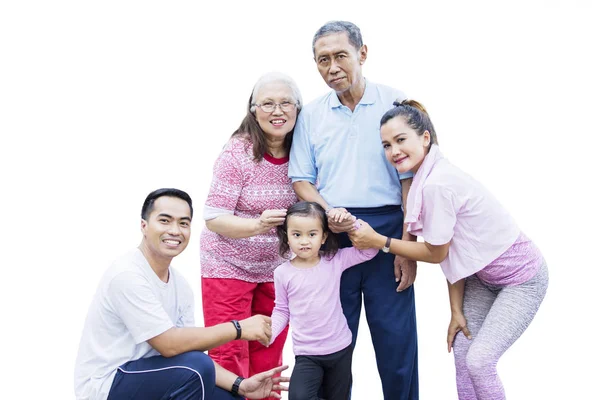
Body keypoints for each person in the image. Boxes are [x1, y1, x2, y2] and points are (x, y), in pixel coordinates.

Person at [349, 100, 549, 400]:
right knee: (463, 352)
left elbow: (436, 253)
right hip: (483, 277)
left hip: (522, 279)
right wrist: (455, 311)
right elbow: (456, 254)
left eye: (401, 140)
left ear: (425, 138)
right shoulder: (425, 178)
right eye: (387, 145)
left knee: (480, 362)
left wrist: (381, 241)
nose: (394, 151)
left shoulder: (436, 185)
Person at [288, 20, 418, 398]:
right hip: (331, 233)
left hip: (389, 229)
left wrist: (407, 246)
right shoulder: (310, 114)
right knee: (333, 343)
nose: (332, 68)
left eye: (340, 56)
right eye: (322, 60)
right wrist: (330, 213)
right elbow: (301, 180)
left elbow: (411, 179)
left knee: (396, 341)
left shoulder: (396, 102)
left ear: (362, 53)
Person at [74, 188, 289, 400]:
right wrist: (239, 328)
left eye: (183, 223)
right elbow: (169, 344)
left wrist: (240, 386)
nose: (175, 231)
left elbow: (187, 351)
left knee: (230, 397)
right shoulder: (127, 274)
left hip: (153, 375)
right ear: (144, 226)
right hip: (107, 384)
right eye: (165, 221)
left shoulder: (180, 285)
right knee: (197, 368)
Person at [200, 72, 301, 396]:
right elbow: (214, 217)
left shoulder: (304, 152)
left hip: (276, 269)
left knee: (268, 353)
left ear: (298, 109)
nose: (277, 110)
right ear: (253, 110)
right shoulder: (238, 153)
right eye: (268, 103)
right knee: (229, 353)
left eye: (285, 102)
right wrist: (258, 225)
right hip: (226, 267)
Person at [268, 201, 378, 400]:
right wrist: (270, 333)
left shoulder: (334, 260)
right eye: (297, 234)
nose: (304, 241)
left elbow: (369, 251)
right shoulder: (282, 273)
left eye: (312, 234)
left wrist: (350, 222)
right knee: (299, 397)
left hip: (340, 349)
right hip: (307, 354)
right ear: (287, 236)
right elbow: (282, 310)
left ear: (323, 236)